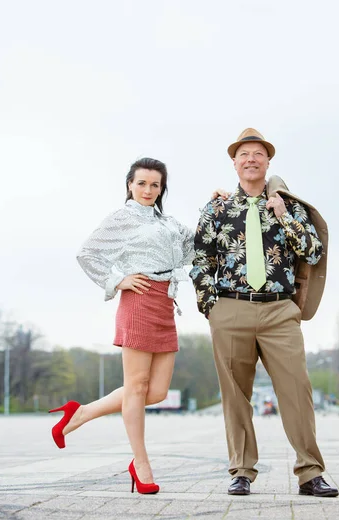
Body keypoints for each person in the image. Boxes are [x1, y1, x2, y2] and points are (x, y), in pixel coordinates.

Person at [49, 157, 226, 495]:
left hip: (165, 304)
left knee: (155, 391)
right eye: (141, 183)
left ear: (162, 189)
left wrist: (212, 206)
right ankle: (141, 463)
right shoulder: (121, 219)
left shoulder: (170, 223)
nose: (148, 190)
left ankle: (81, 413)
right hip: (138, 301)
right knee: (136, 386)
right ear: (130, 184)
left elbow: (200, 245)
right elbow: (87, 254)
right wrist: (119, 280)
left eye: (155, 185)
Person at [190, 128, 339, 498]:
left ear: (268, 161)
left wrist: (284, 216)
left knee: (297, 391)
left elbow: (313, 251)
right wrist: (211, 306)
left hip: (278, 312)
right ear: (235, 163)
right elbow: (201, 258)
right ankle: (241, 470)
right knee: (235, 395)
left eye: (258, 154)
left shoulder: (291, 206)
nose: (251, 159)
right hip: (230, 308)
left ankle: (310, 472)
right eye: (244, 154)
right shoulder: (217, 208)